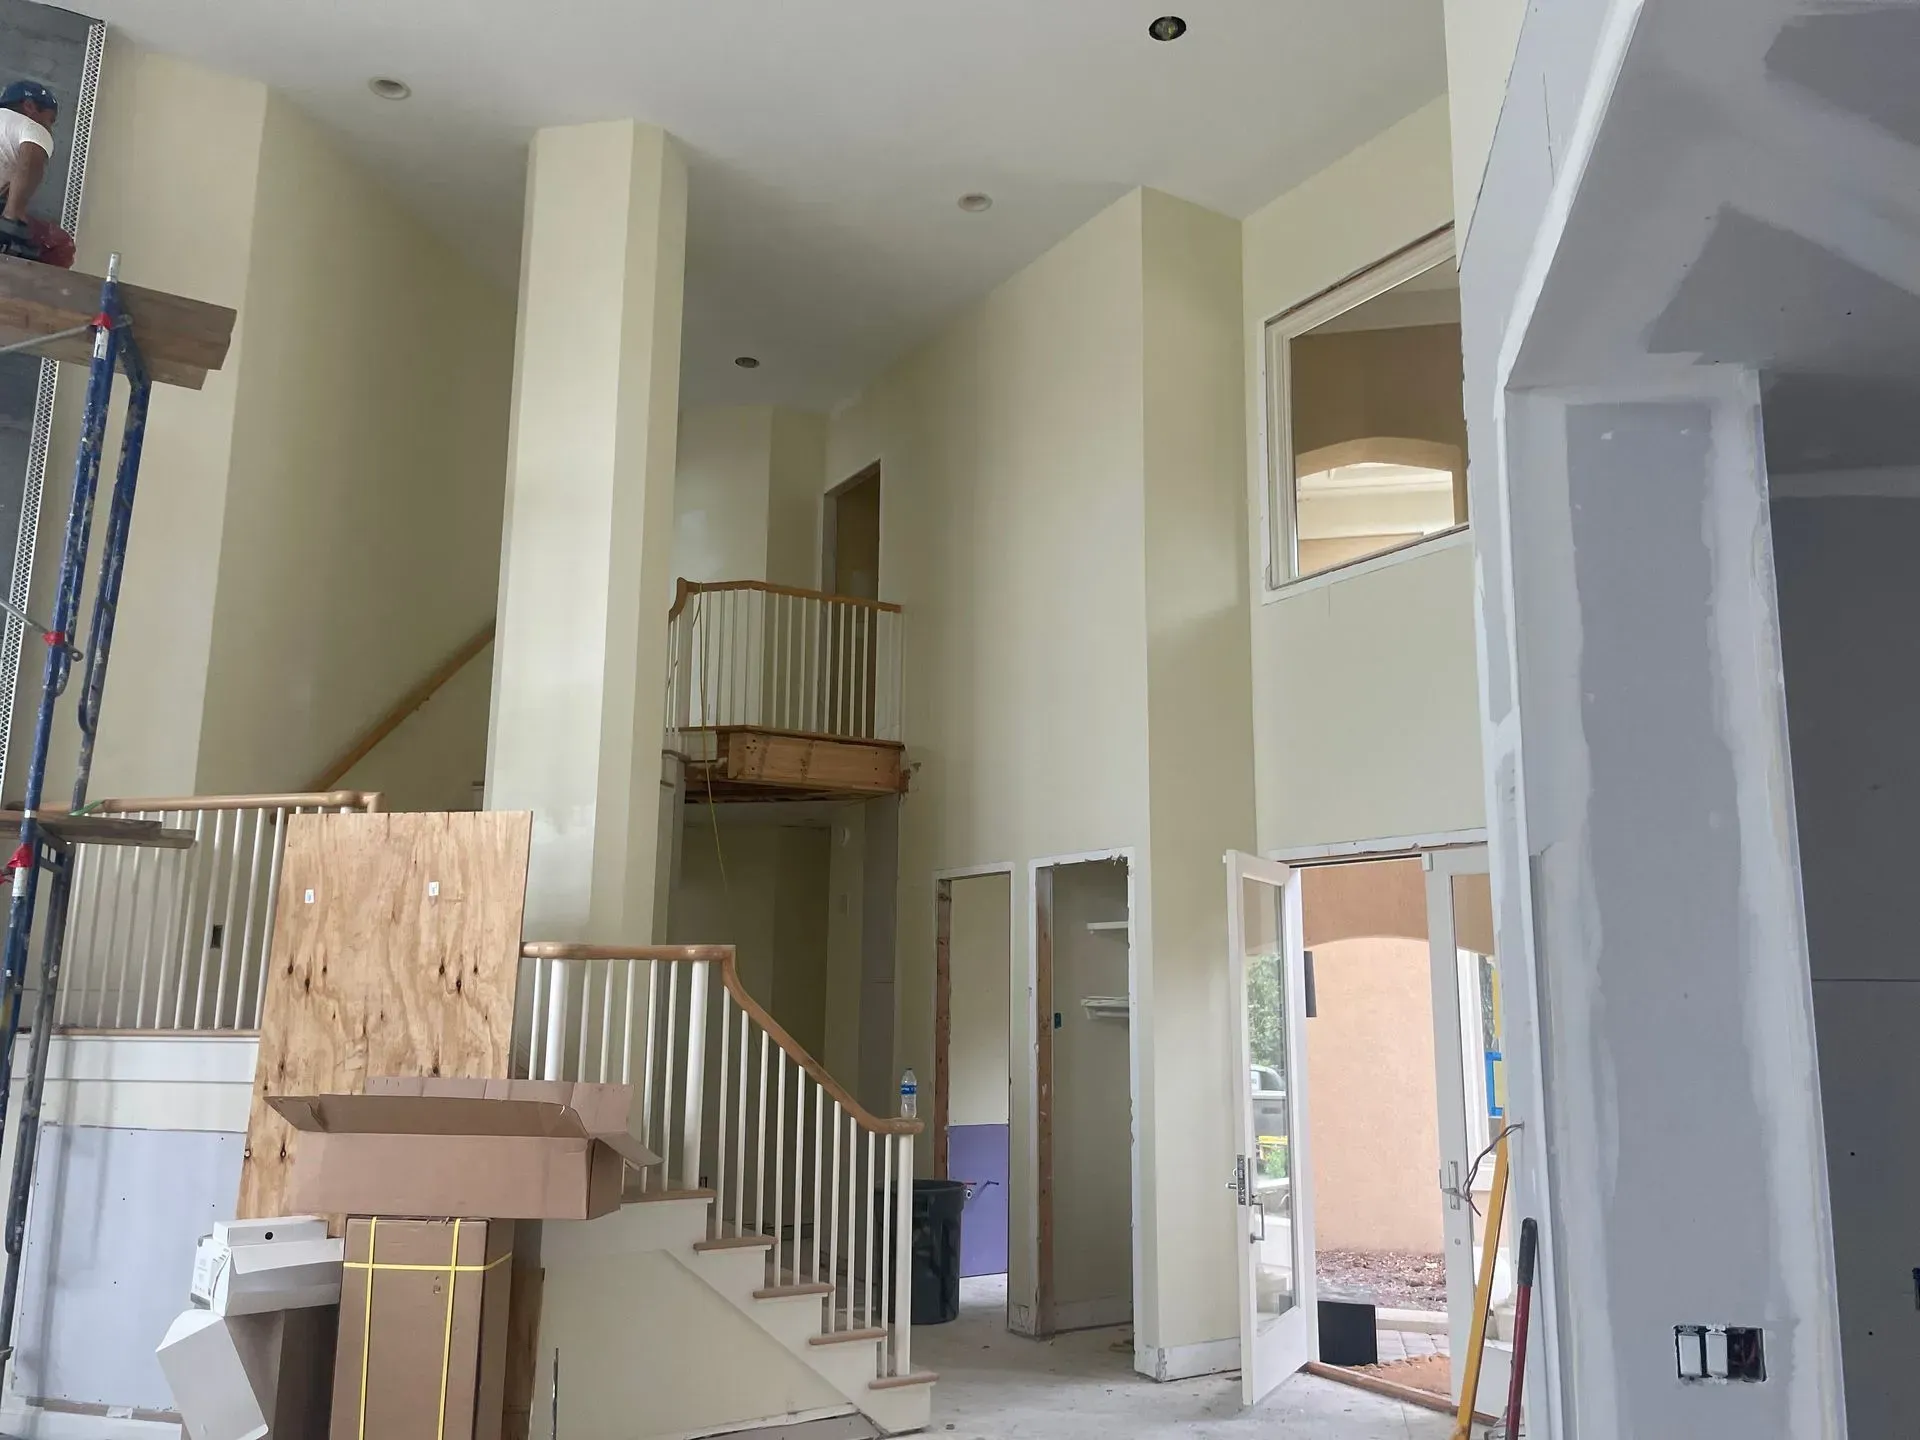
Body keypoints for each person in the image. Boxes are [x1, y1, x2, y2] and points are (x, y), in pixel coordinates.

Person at [0, 80, 70, 266]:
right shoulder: (33, 127)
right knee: (59, 244)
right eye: (50, 120)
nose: (50, 128)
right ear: (30, 106)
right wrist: (12, 215)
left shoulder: (6, 128)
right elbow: (29, 163)